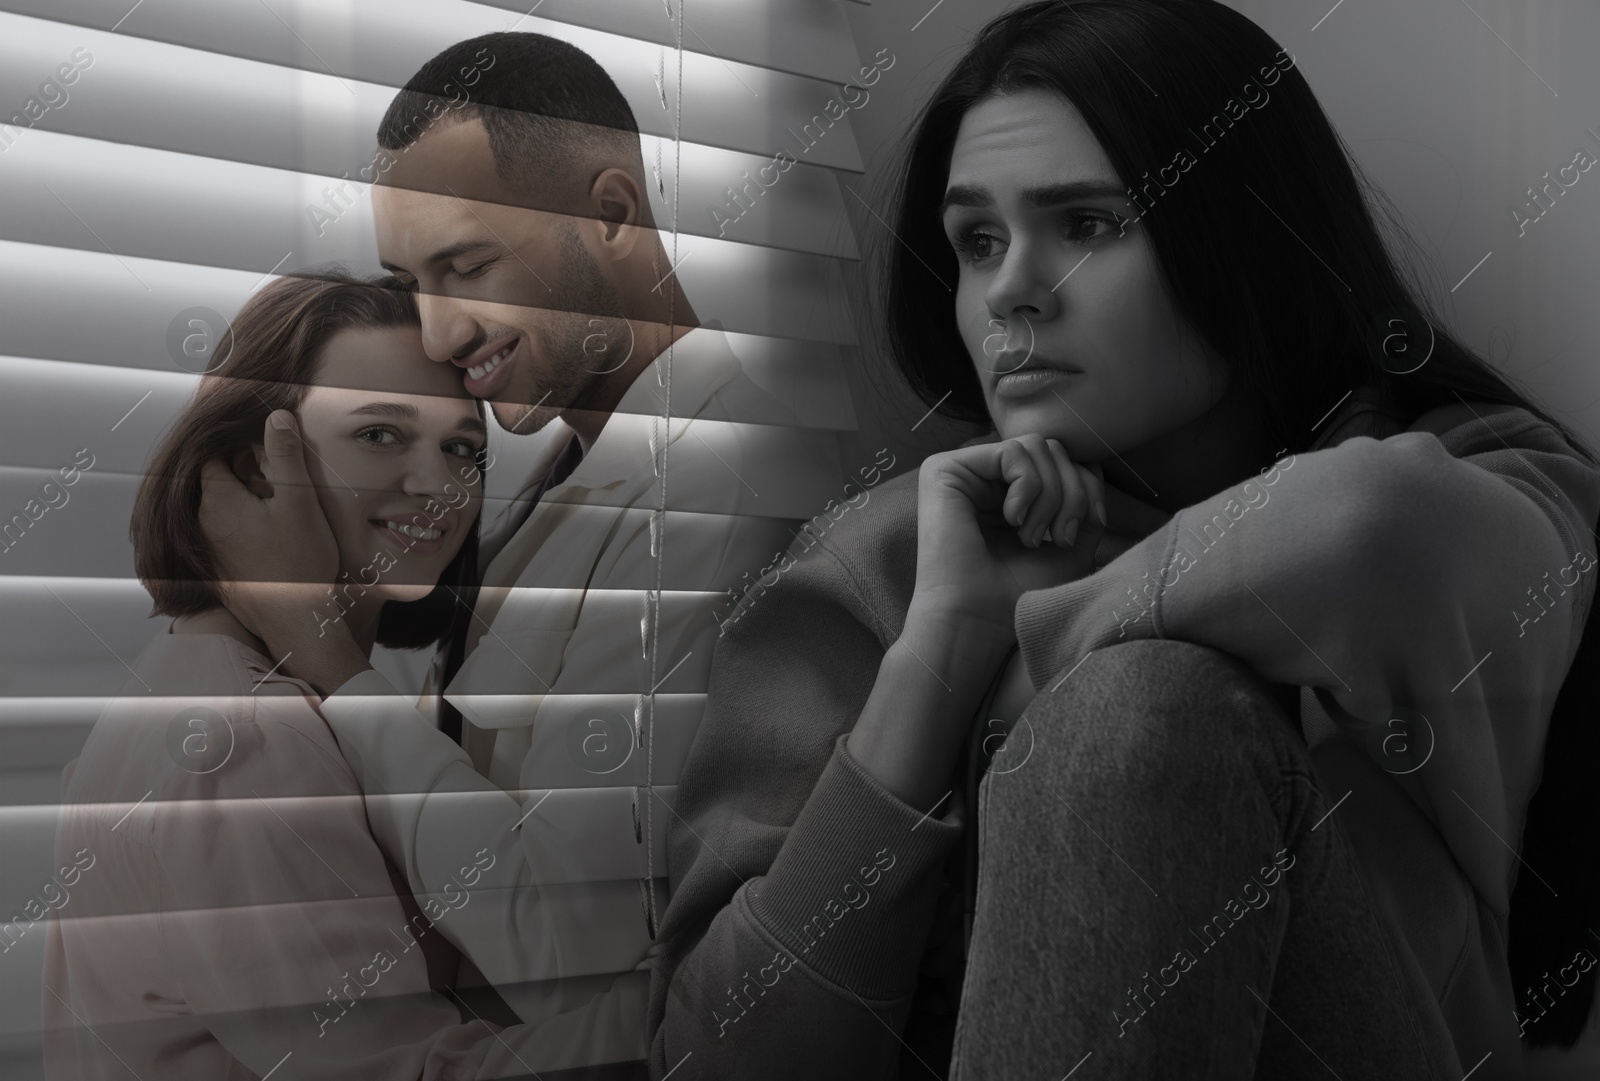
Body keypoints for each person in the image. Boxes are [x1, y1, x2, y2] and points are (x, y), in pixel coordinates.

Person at [648, 2, 1600, 1079]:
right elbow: (707, 1064)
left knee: (1139, 710)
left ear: (1247, 234)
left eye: (1087, 224)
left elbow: (1360, 527)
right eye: (977, 241)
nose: (1009, 289)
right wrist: (940, 653)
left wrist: (1050, 634)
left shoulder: (1491, 484)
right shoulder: (892, 562)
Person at [198, 32, 846, 1064]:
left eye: (466, 265)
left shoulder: (728, 501)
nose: (441, 333)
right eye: (410, 281)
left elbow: (578, 946)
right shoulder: (554, 476)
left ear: (613, 216)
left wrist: (329, 662)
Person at [43, 271, 658, 1078]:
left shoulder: (238, 687)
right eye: (379, 434)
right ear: (252, 466)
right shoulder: (244, 733)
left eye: (463, 447)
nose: (441, 486)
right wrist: (689, 999)